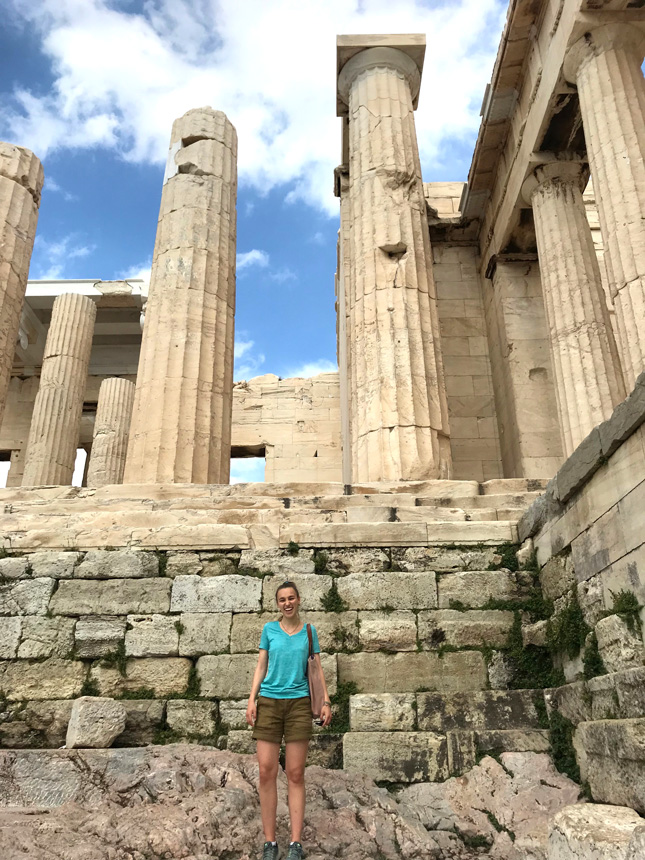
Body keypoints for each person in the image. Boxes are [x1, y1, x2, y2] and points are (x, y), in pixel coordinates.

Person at [246, 580, 332, 860]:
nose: (287, 603)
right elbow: (261, 666)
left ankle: (295, 843)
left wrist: (326, 702)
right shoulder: (269, 629)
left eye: (291, 598)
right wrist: (251, 699)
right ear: (278, 604)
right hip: (269, 703)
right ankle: (269, 843)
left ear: (298, 600)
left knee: (295, 774)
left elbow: (316, 670)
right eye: (282, 599)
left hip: (298, 705)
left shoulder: (309, 632)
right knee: (266, 772)